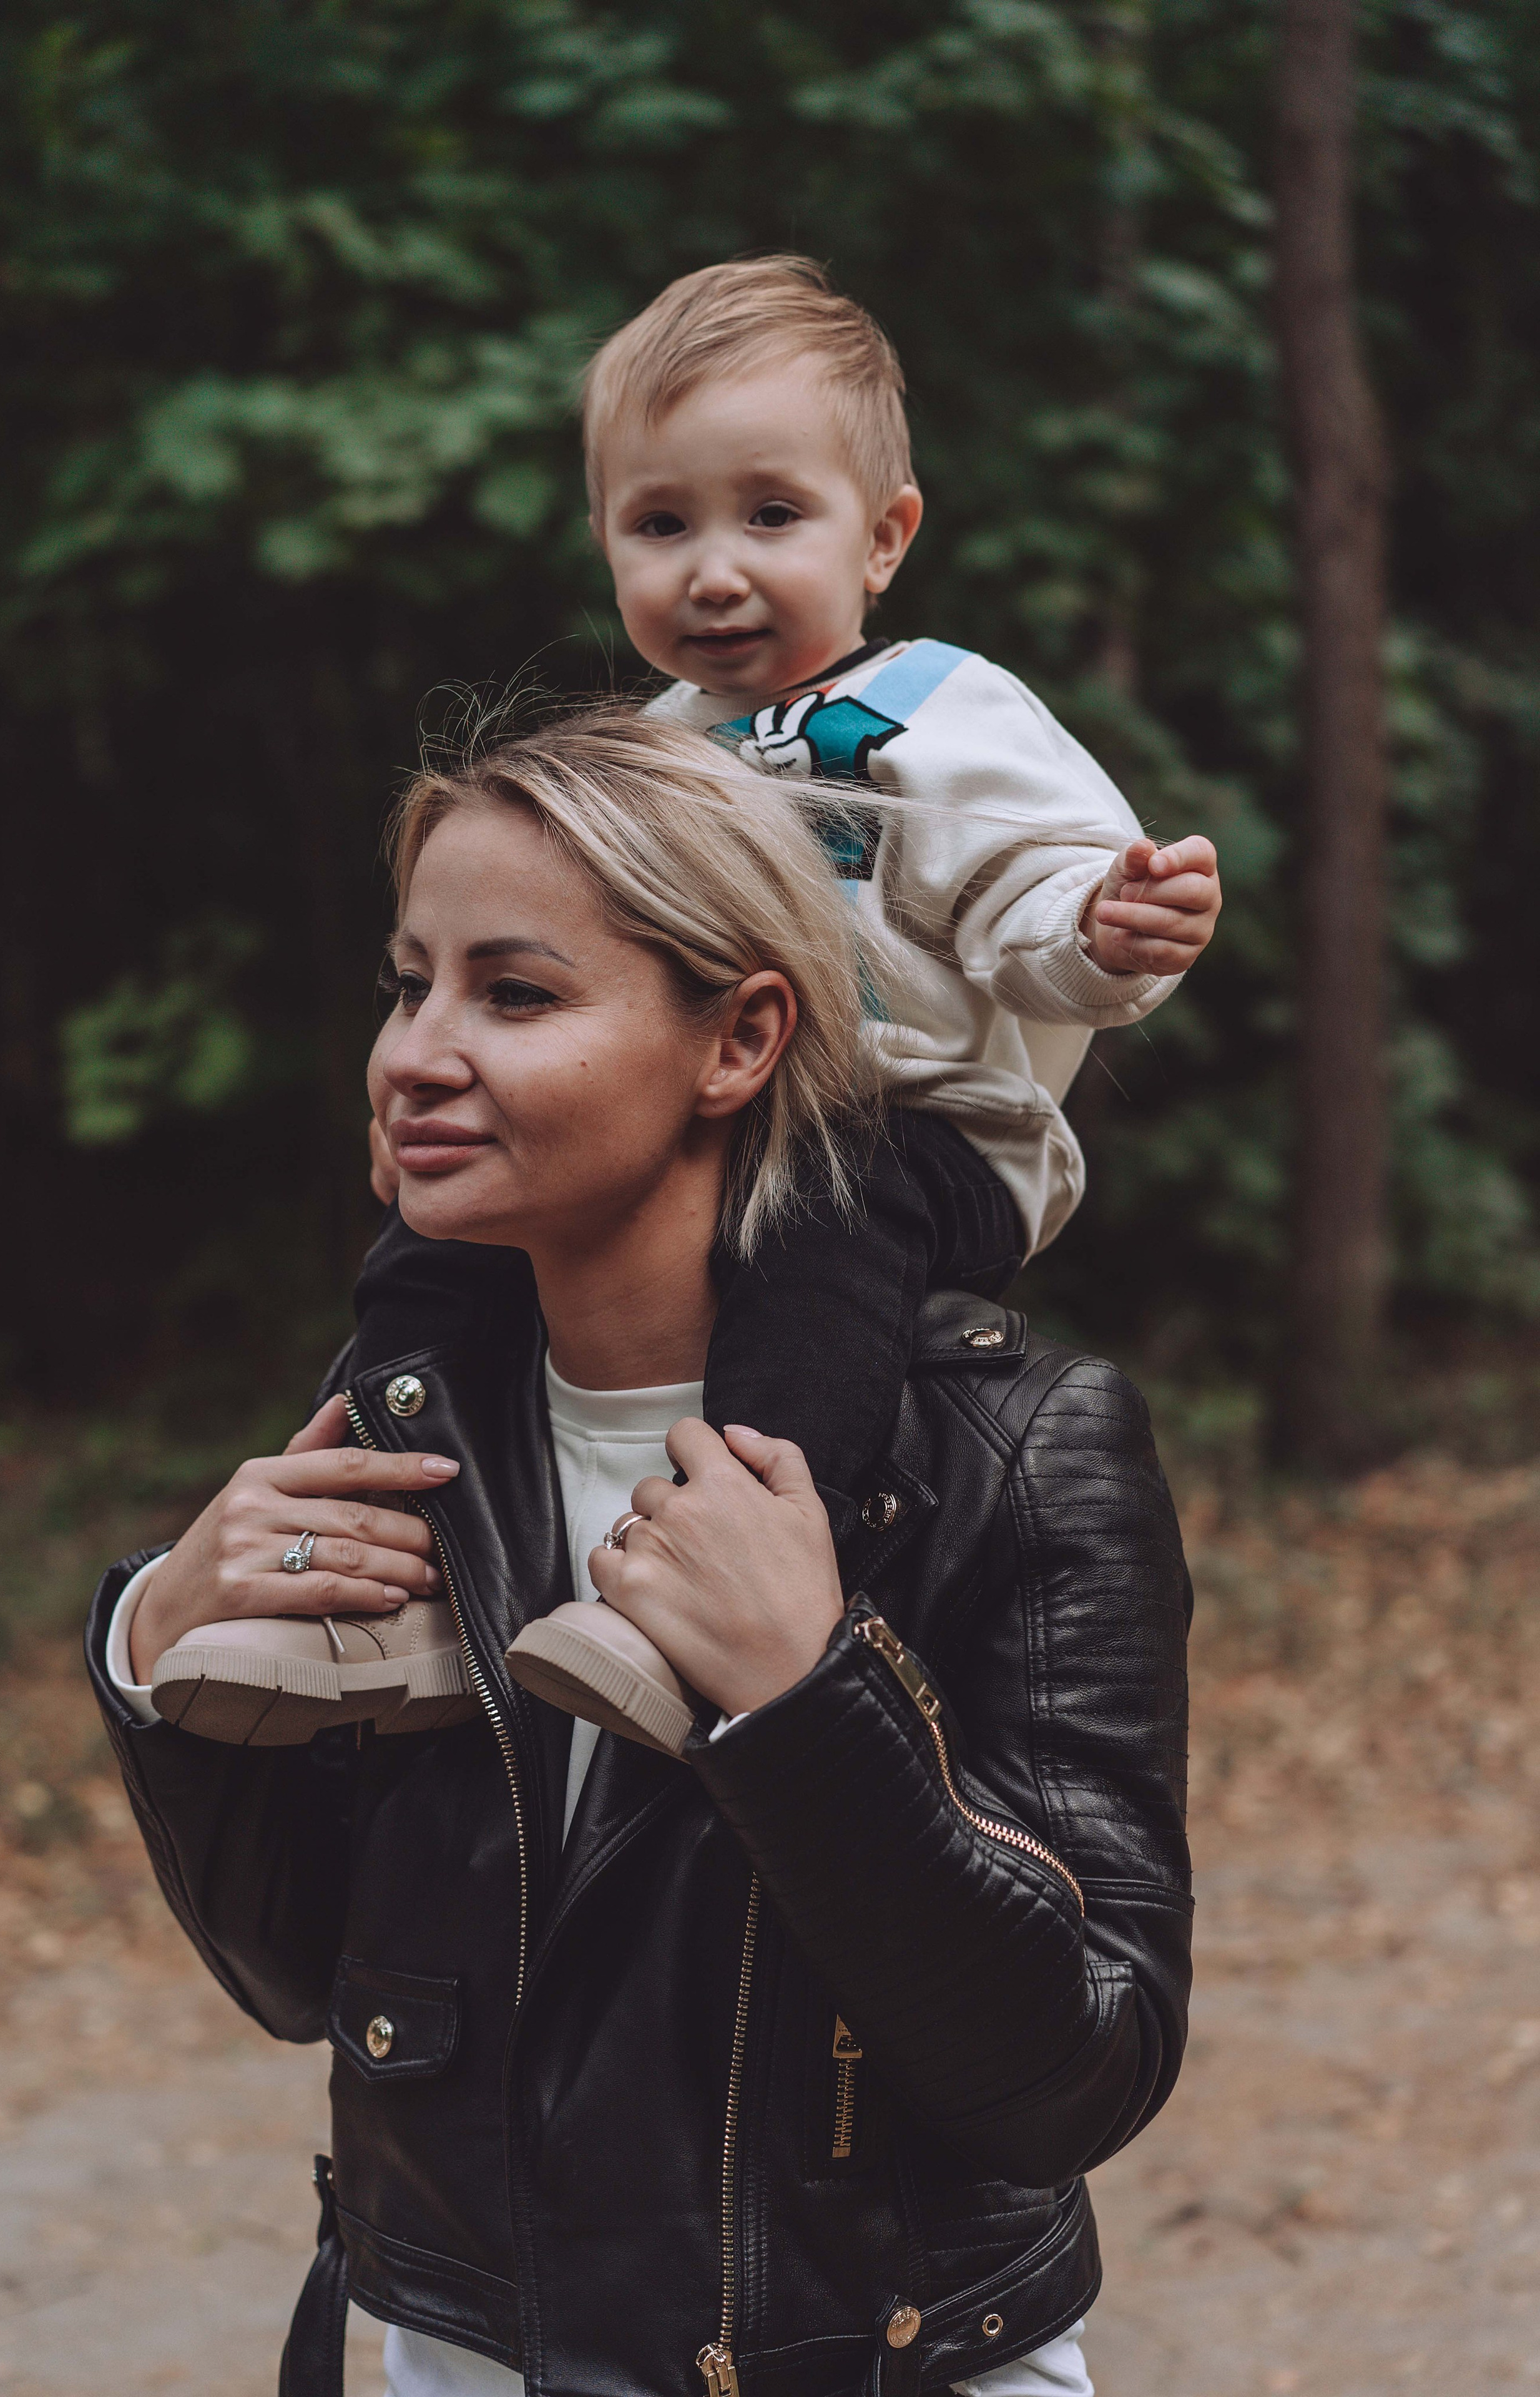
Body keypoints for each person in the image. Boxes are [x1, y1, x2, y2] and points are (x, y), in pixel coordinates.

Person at [87, 709, 1192, 2397]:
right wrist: (156, 1648)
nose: (416, 1053)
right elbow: (302, 1975)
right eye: (410, 985)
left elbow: (1076, 2073)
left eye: (514, 995)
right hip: (465, 2361)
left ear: (741, 1039)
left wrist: (807, 1704)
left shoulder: (1013, 1451)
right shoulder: (402, 1421)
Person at [146, 255, 1219, 1750]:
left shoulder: (937, 712)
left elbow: (1035, 906)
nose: (712, 570)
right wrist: (450, 1101)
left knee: (819, 1237)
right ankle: (393, 1594)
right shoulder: (648, 755)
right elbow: (553, 969)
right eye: (660, 525)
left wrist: (1107, 930)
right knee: (433, 1256)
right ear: (604, 544)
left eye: (770, 516)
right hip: (713, 1127)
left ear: (883, 537)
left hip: (917, 1135)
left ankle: (710, 1586)